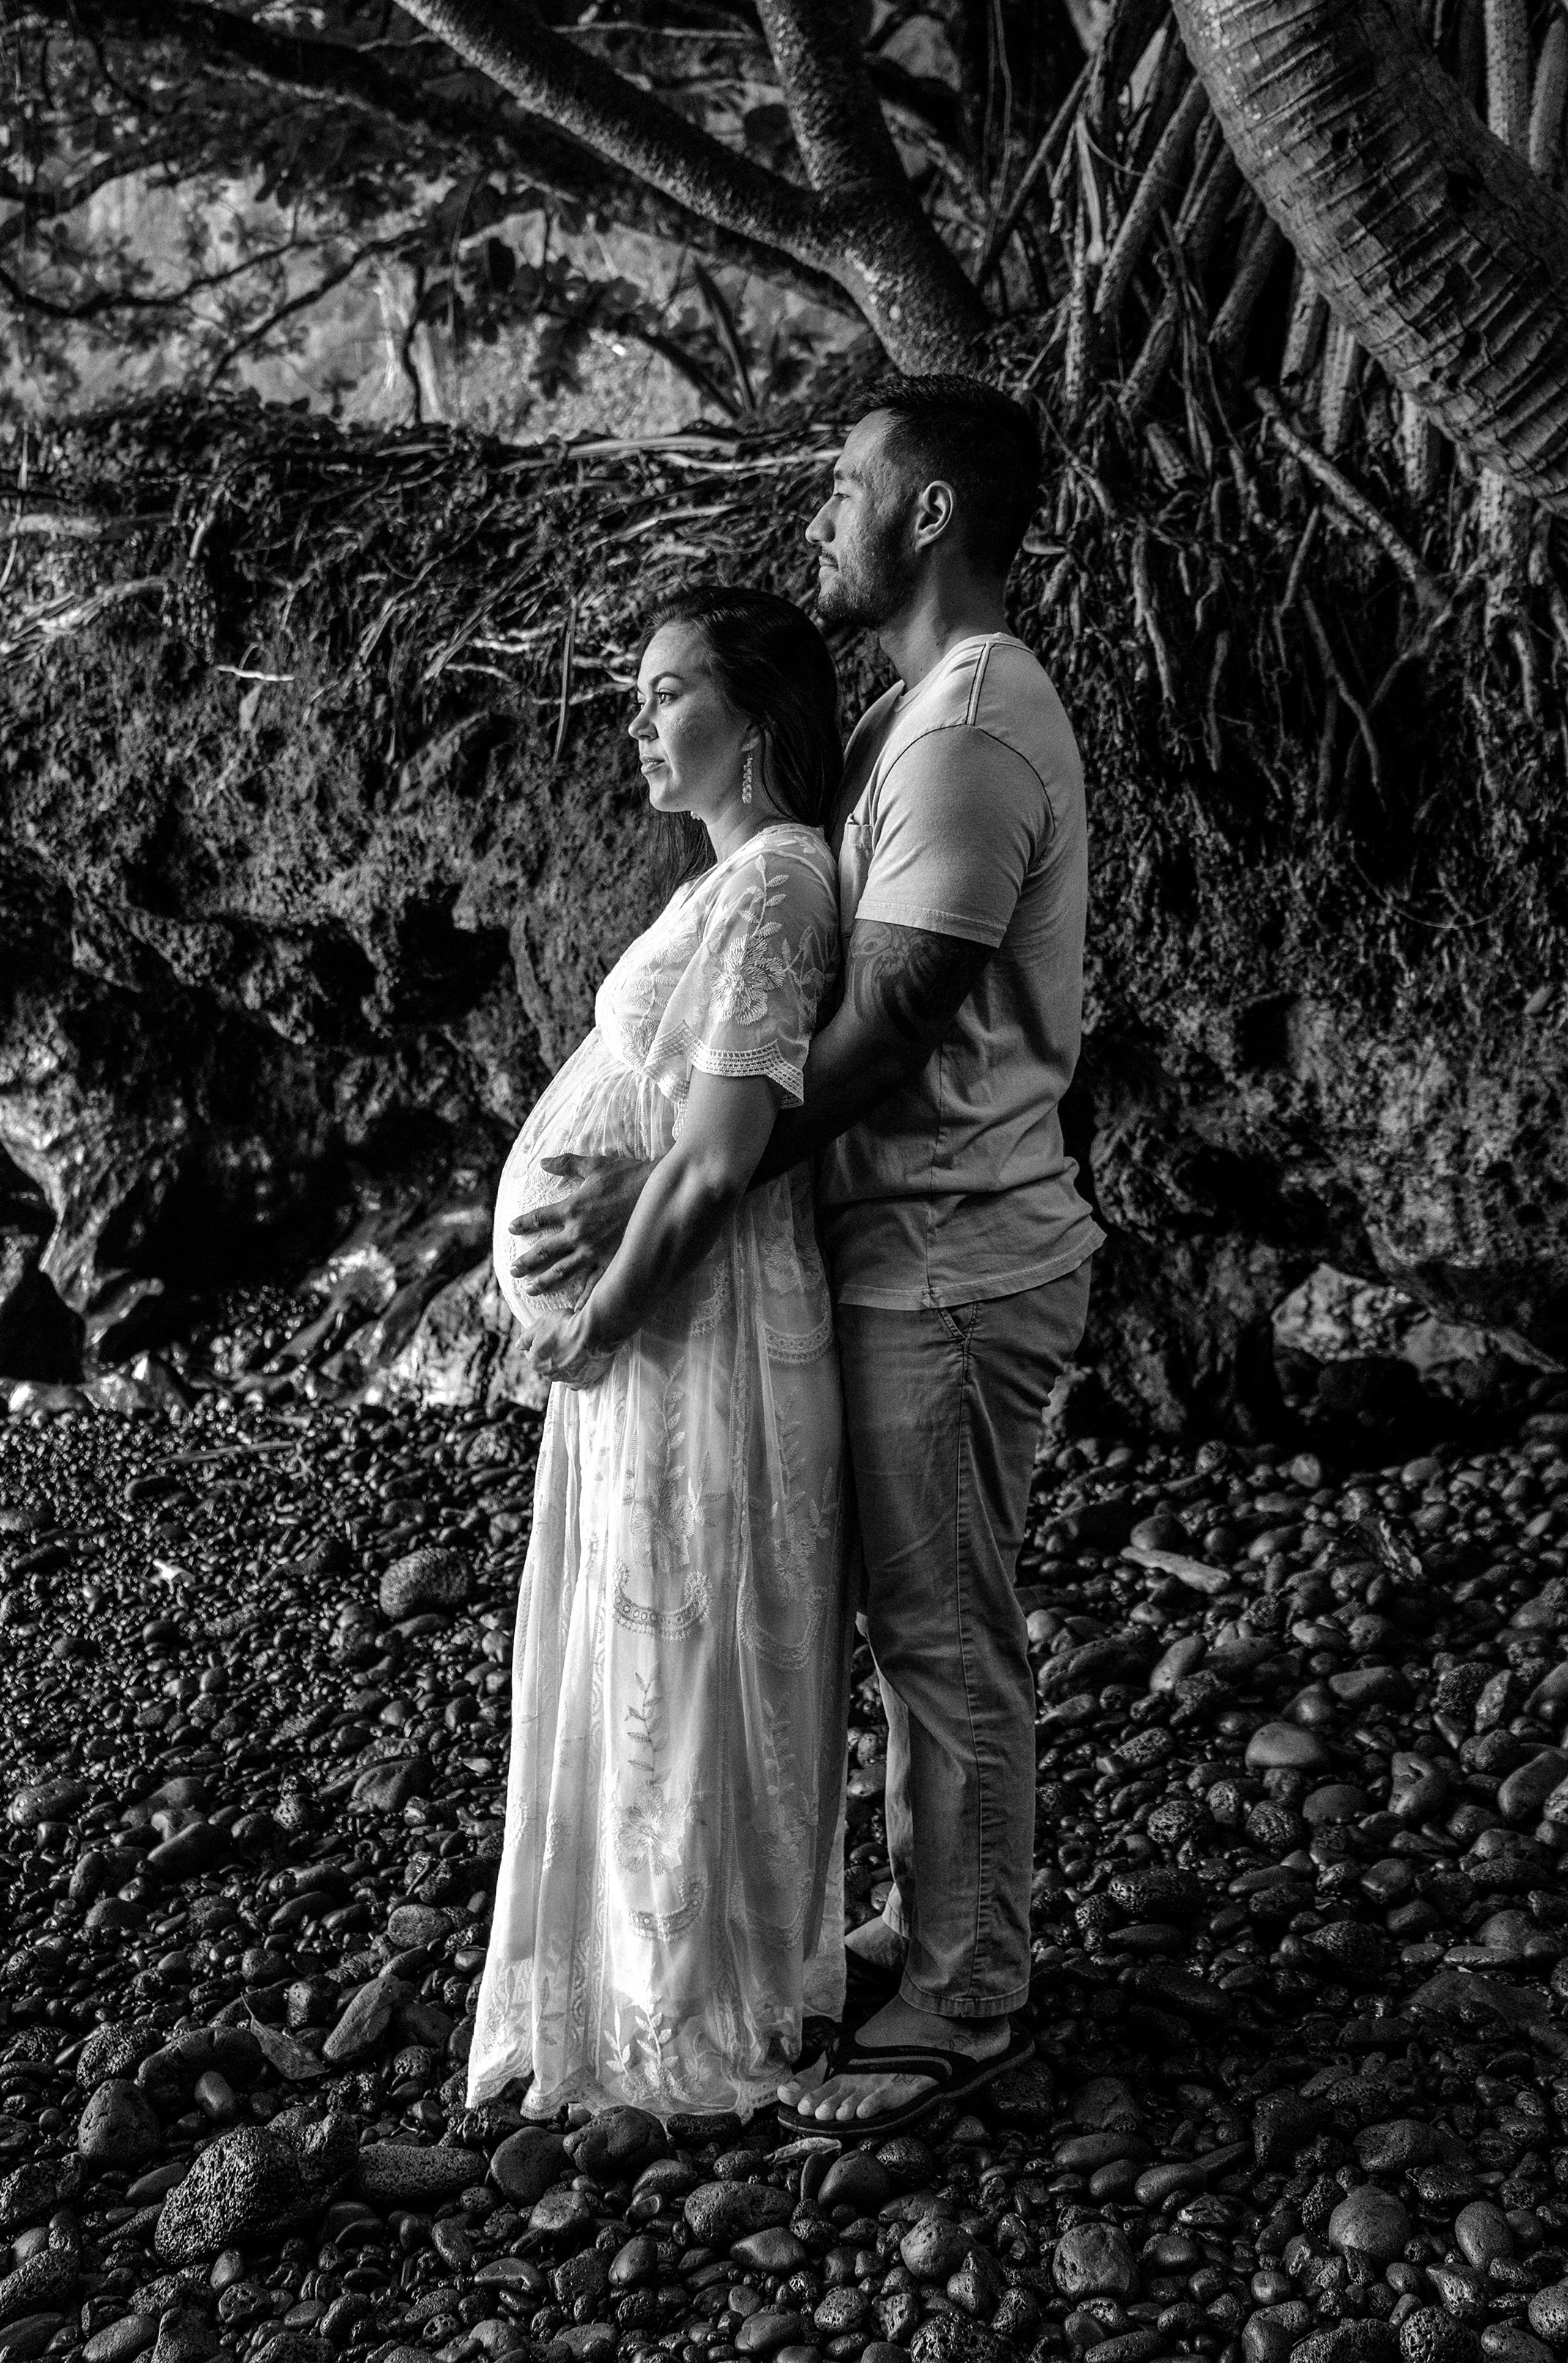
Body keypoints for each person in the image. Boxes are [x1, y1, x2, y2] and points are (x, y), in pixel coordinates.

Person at [510, 375, 1101, 2134]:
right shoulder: (916, 724)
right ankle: (933, 1932)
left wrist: (667, 1192)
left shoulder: (967, 735)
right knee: (900, 1631)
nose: (819, 513)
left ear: (928, 516)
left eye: (848, 486)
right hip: (892, 1253)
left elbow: (893, 1024)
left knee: (940, 1641)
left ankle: (967, 1999)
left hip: (952, 1252)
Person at [466, 585, 858, 2121]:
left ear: (754, 720)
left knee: (693, 1651)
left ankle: (694, 2012)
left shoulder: (774, 884)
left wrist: (603, 1315)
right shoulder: (720, 889)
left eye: (666, 692)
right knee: (643, 1649)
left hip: (702, 1335)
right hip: (656, 1339)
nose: (636, 723)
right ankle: (635, 1991)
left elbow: (717, 1154)